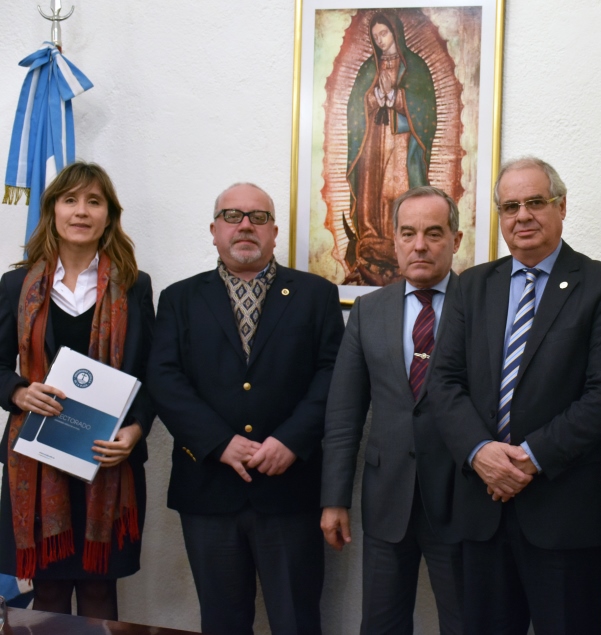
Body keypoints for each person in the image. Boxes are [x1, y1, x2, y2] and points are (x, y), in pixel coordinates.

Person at [428, 157, 601, 635]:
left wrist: (528, 459)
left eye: (535, 202)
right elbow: (444, 382)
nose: (522, 216)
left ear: (561, 207)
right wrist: (480, 452)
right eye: (510, 206)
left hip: (565, 511)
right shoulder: (473, 286)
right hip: (482, 506)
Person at [148, 183, 344, 635]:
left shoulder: (316, 295)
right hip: (209, 489)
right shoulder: (179, 299)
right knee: (221, 622)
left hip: (290, 488)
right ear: (214, 230)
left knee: (296, 621)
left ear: (274, 232)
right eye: (232, 216)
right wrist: (219, 443)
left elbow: (333, 375)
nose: (244, 226)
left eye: (257, 217)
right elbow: (164, 379)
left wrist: (291, 440)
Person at [0, 162, 155, 619]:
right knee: (47, 595)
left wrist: (136, 431)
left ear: (109, 214)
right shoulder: (16, 285)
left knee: (97, 595)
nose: (81, 211)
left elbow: (152, 373)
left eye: (94, 201)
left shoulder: (134, 286)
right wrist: (16, 392)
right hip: (36, 457)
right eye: (70, 200)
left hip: (107, 458)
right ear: (52, 212)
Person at [321, 185, 464, 634]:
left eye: (433, 233)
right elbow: (344, 415)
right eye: (408, 233)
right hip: (386, 500)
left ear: (455, 241)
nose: (419, 245)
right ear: (395, 241)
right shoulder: (368, 311)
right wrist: (334, 499)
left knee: (466, 623)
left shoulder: (481, 304)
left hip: (462, 499)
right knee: (380, 625)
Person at [345, 12, 438, 285]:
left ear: (395, 33)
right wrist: (374, 98)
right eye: (375, 37)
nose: (380, 40)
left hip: (402, 139)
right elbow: (355, 108)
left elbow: (425, 108)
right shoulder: (368, 68)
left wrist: (397, 97)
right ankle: (372, 239)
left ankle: (400, 239)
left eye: (383, 34)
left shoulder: (415, 67)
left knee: (398, 189)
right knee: (372, 190)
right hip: (374, 139)